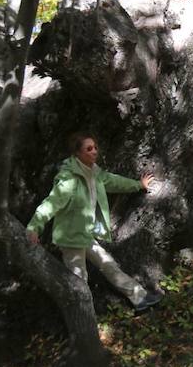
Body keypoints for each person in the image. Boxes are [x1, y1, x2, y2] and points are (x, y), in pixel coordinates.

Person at [26, 132, 161, 312]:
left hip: (85, 234)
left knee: (109, 265)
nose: (94, 151)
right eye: (89, 149)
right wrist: (34, 227)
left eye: (95, 147)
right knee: (80, 283)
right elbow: (50, 204)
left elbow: (114, 181)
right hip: (70, 238)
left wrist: (138, 185)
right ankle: (84, 319)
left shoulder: (94, 173)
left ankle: (140, 297)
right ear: (77, 153)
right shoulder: (69, 179)